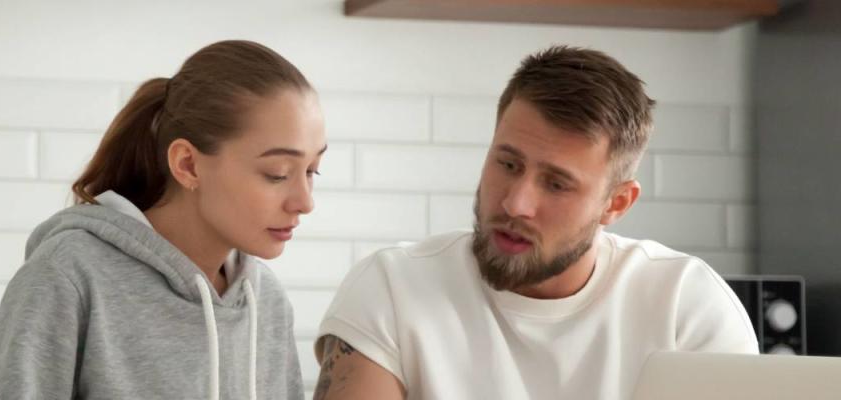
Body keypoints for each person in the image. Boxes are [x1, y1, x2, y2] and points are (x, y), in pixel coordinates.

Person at [312, 45, 758, 400]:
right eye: (508, 164)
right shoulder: (393, 287)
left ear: (616, 203)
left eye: (557, 184)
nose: (516, 202)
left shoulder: (687, 307)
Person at [0, 40, 326, 400]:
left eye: (313, 170)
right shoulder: (70, 274)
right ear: (188, 165)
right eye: (277, 173)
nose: (305, 202)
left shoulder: (265, 299)